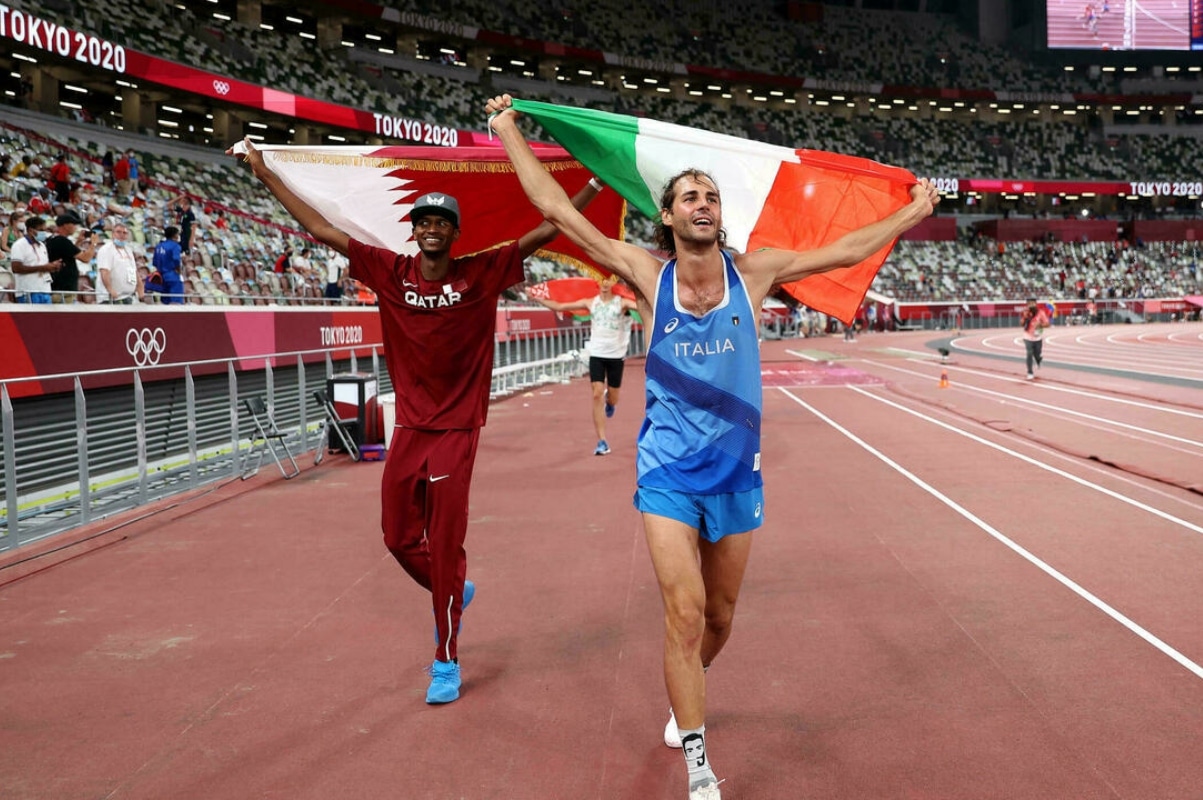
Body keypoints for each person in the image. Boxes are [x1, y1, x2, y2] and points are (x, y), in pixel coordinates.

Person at [488, 93, 938, 800]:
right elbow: (558, 212)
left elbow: (844, 250)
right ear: (665, 216)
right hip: (667, 465)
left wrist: (911, 212)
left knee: (721, 618)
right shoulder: (646, 274)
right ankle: (698, 760)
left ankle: (684, 690)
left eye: (711, 196)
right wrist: (506, 129)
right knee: (684, 611)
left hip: (735, 471)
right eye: (689, 196)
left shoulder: (751, 274)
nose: (703, 203)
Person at [230, 136, 601, 705]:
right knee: (398, 537)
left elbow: (545, 231)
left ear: (454, 234)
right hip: (409, 429)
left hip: (457, 431)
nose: (430, 228)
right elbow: (323, 229)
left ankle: (446, 660)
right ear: (413, 230)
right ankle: (453, 590)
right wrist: (264, 173)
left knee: (446, 542)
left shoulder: (481, 272)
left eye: (440, 222)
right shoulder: (388, 270)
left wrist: (597, 184)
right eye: (422, 220)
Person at [532, 276, 637, 455]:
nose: (604, 284)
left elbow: (641, 307)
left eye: (608, 281)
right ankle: (602, 441)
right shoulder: (590, 303)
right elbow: (560, 306)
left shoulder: (622, 303)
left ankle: (610, 403)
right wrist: (535, 297)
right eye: (601, 281)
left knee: (613, 397)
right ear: (597, 283)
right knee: (596, 394)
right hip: (596, 354)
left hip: (616, 356)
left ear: (613, 284)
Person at [9, 216, 62, 304]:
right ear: (30, 230)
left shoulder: (42, 245)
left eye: (45, 230)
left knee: (47, 318)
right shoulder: (19, 245)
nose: (44, 233)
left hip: (45, 290)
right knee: (31, 318)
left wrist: (52, 266)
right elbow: (16, 268)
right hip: (28, 291)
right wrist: (42, 268)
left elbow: (42, 265)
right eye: (41, 230)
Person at [47, 213, 98, 304]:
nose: (75, 227)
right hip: (63, 291)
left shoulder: (54, 239)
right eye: (73, 224)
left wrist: (78, 241)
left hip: (60, 289)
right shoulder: (62, 241)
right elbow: (86, 258)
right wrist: (93, 243)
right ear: (65, 225)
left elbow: (68, 255)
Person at [96, 223, 142, 304]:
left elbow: (134, 271)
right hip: (110, 298)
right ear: (112, 234)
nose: (122, 235)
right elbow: (104, 272)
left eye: (124, 233)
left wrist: (140, 287)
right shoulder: (106, 249)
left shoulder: (128, 250)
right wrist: (110, 289)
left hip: (127, 296)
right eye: (118, 232)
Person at [152, 226, 185, 304]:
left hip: (161, 277)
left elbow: (155, 262)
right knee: (176, 302)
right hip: (173, 275)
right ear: (175, 235)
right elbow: (176, 259)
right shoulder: (175, 246)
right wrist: (179, 270)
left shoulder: (159, 246)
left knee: (165, 302)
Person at [1020, 297, 1051, 380]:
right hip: (1027, 336)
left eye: (1033, 303)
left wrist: (1040, 325)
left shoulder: (1040, 313)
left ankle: (1038, 360)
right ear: (1027, 305)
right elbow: (1022, 324)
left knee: (1037, 354)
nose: (1031, 305)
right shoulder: (1025, 312)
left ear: (1036, 304)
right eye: (1029, 303)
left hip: (1037, 338)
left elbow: (1048, 324)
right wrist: (1025, 318)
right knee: (1029, 353)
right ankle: (1030, 372)